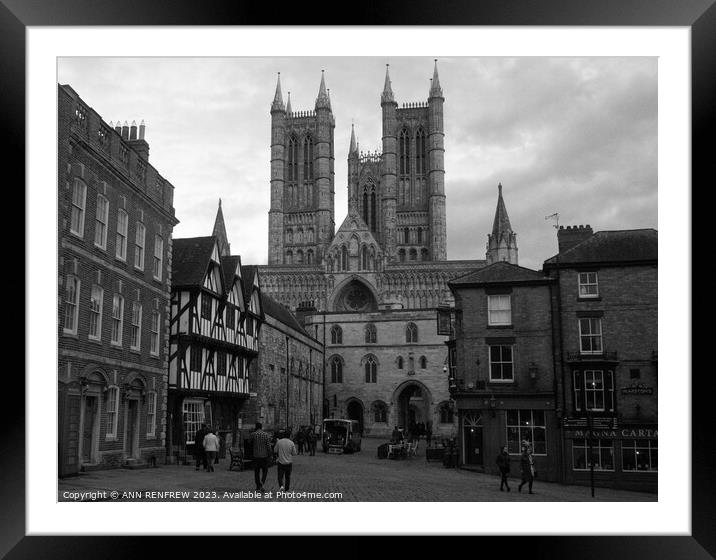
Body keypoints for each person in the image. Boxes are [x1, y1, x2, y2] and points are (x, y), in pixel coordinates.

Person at [250, 422, 272, 492]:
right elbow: (268, 446)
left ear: (256, 427)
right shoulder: (266, 435)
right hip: (264, 456)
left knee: (256, 471)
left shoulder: (253, 434)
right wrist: (270, 454)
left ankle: (257, 486)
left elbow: (250, 442)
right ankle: (261, 483)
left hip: (256, 455)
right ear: (261, 427)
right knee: (265, 470)